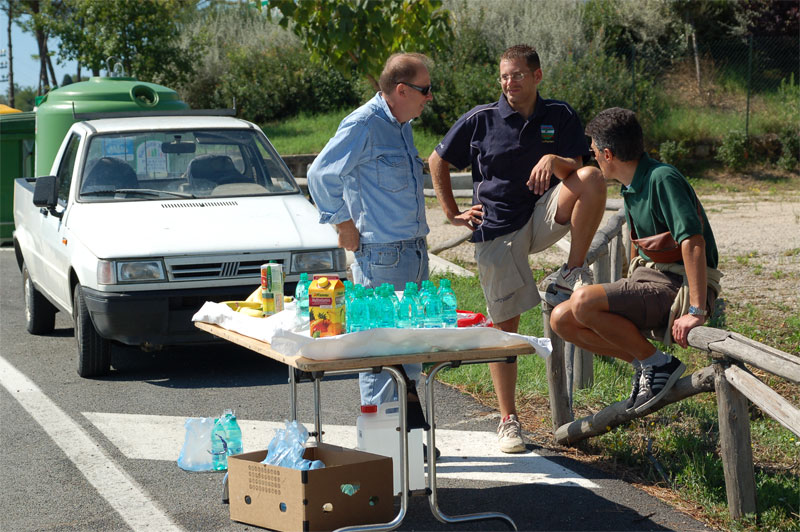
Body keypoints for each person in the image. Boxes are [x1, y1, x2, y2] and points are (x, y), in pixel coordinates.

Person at [429, 44, 607, 453]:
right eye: (504, 76)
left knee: (593, 179)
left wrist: (552, 158)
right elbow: (437, 160)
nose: (510, 83)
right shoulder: (480, 118)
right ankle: (508, 420)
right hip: (498, 227)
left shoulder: (559, 114)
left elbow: (579, 169)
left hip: (544, 213)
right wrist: (452, 213)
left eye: (518, 75)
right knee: (506, 326)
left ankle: (571, 271)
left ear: (537, 76)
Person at [550, 107, 722, 413]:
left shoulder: (662, 178)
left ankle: (659, 364)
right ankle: (646, 362)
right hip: (649, 284)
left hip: (677, 287)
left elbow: (693, 243)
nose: (592, 158)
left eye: (593, 152)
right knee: (561, 319)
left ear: (607, 154)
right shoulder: (631, 185)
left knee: (582, 300)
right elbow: (639, 251)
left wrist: (696, 310)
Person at [307, 53, 434, 407]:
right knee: (381, 355)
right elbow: (320, 175)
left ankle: (404, 440)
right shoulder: (364, 123)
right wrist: (344, 223)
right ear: (401, 90)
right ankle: (382, 445)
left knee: (409, 351)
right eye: (425, 89)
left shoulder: (401, 124)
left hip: (412, 251)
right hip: (382, 256)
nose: (429, 97)